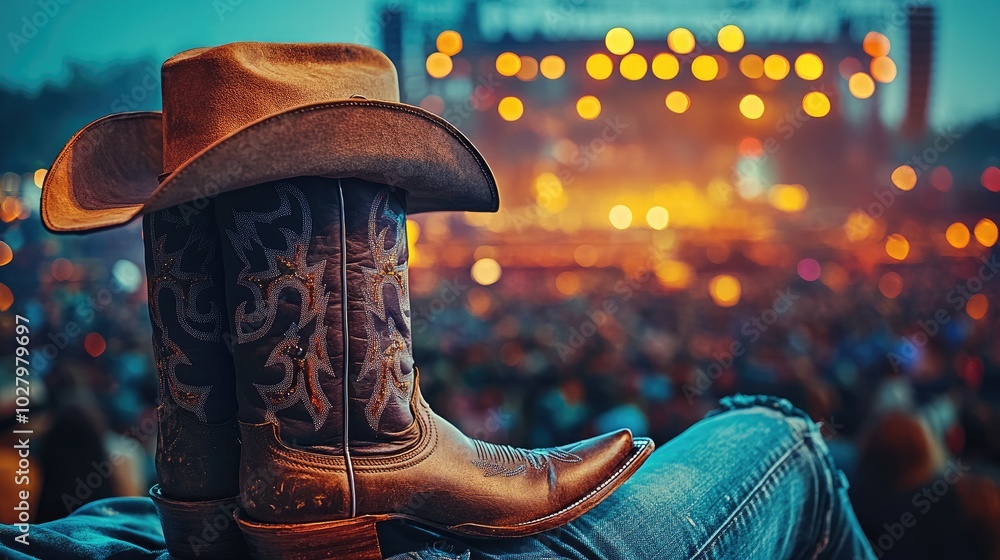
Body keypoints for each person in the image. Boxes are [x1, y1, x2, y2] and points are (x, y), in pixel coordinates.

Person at [3, 42, 875, 559]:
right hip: (294, 491)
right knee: (785, 439)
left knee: (161, 490)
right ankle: (362, 463)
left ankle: (208, 477)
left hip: (143, 517)